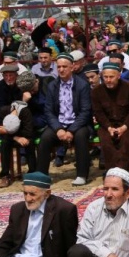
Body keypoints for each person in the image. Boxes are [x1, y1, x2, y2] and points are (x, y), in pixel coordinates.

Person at [37, 53, 93, 186]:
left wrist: (71, 130)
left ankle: (81, 175)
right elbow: (48, 111)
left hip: (78, 124)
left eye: (64, 67)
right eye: (59, 67)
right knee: (45, 138)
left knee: (80, 136)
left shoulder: (82, 85)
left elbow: (85, 111)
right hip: (59, 124)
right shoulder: (52, 85)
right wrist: (58, 129)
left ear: (72, 67)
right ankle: (42, 175)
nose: (61, 70)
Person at [91, 62, 129, 171]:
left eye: (111, 77)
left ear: (118, 76)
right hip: (107, 125)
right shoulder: (96, 91)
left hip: (126, 124)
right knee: (107, 143)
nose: (108, 80)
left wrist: (124, 127)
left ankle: (122, 172)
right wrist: (109, 127)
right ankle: (111, 172)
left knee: (126, 142)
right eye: (105, 77)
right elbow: (99, 113)